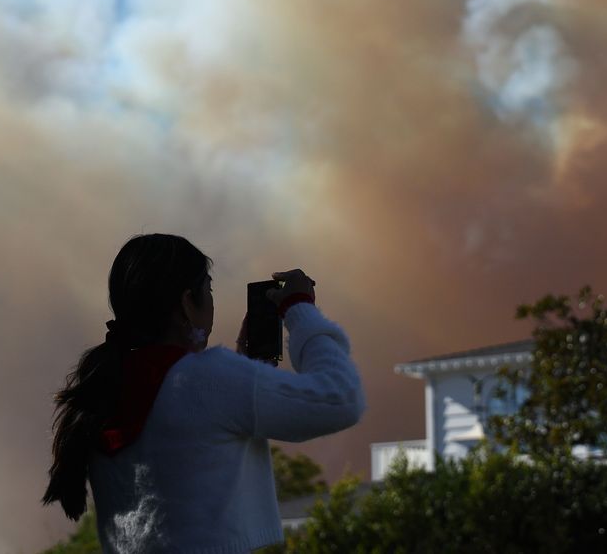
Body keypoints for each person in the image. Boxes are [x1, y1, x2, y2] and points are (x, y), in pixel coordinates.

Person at [43, 234, 365, 553]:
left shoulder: (103, 389)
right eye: (208, 289)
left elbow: (191, 454)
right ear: (187, 302)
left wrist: (246, 369)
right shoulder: (207, 378)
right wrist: (300, 309)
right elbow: (340, 398)